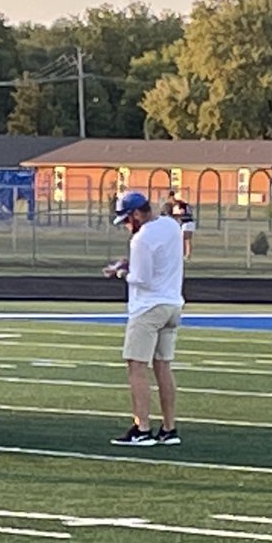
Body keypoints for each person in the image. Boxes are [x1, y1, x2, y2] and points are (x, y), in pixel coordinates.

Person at [104, 191, 184, 447]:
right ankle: (169, 428)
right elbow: (160, 262)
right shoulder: (170, 225)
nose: (127, 226)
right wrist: (130, 266)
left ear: (137, 214)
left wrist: (120, 273)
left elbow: (142, 279)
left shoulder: (142, 238)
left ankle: (142, 428)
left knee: (136, 367)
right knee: (163, 367)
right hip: (173, 303)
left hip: (149, 308)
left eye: (128, 220)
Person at [162, 189, 195, 260]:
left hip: (186, 223)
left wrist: (173, 216)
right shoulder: (184, 204)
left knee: (185, 239)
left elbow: (180, 213)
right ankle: (185, 254)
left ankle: (186, 254)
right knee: (185, 240)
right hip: (187, 223)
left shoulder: (180, 205)